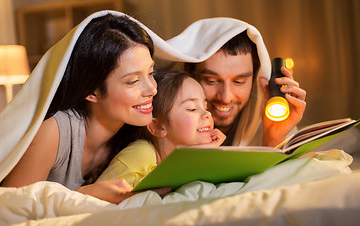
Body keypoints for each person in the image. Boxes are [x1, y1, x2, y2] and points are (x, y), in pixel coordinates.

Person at [1, 13, 170, 204]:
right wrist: (85, 195)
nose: (152, 89)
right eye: (133, 81)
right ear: (92, 91)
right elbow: (9, 208)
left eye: (151, 72)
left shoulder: (137, 136)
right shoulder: (54, 132)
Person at [96, 70, 226, 187]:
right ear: (157, 127)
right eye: (192, 108)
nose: (207, 114)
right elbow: (94, 197)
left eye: (205, 107)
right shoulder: (141, 154)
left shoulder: (189, 161)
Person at [184, 31, 307, 147]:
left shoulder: (275, 115)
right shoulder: (170, 128)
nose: (226, 98)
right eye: (211, 81)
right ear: (190, 74)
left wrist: (273, 140)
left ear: (254, 79)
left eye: (239, 82)